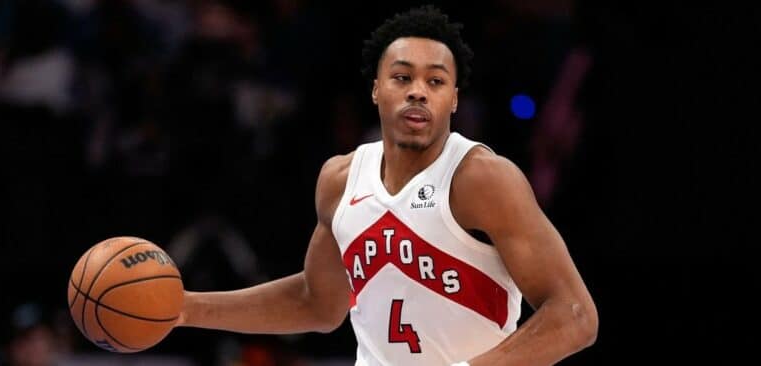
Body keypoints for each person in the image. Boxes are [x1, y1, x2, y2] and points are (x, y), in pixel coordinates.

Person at [175, 5, 598, 365]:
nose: (418, 92)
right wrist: (185, 308)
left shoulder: (481, 178)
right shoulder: (340, 180)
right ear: (377, 90)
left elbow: (575, 314)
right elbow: (315, 303)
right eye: (402, 77)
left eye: (435, 81)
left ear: (453, 98)